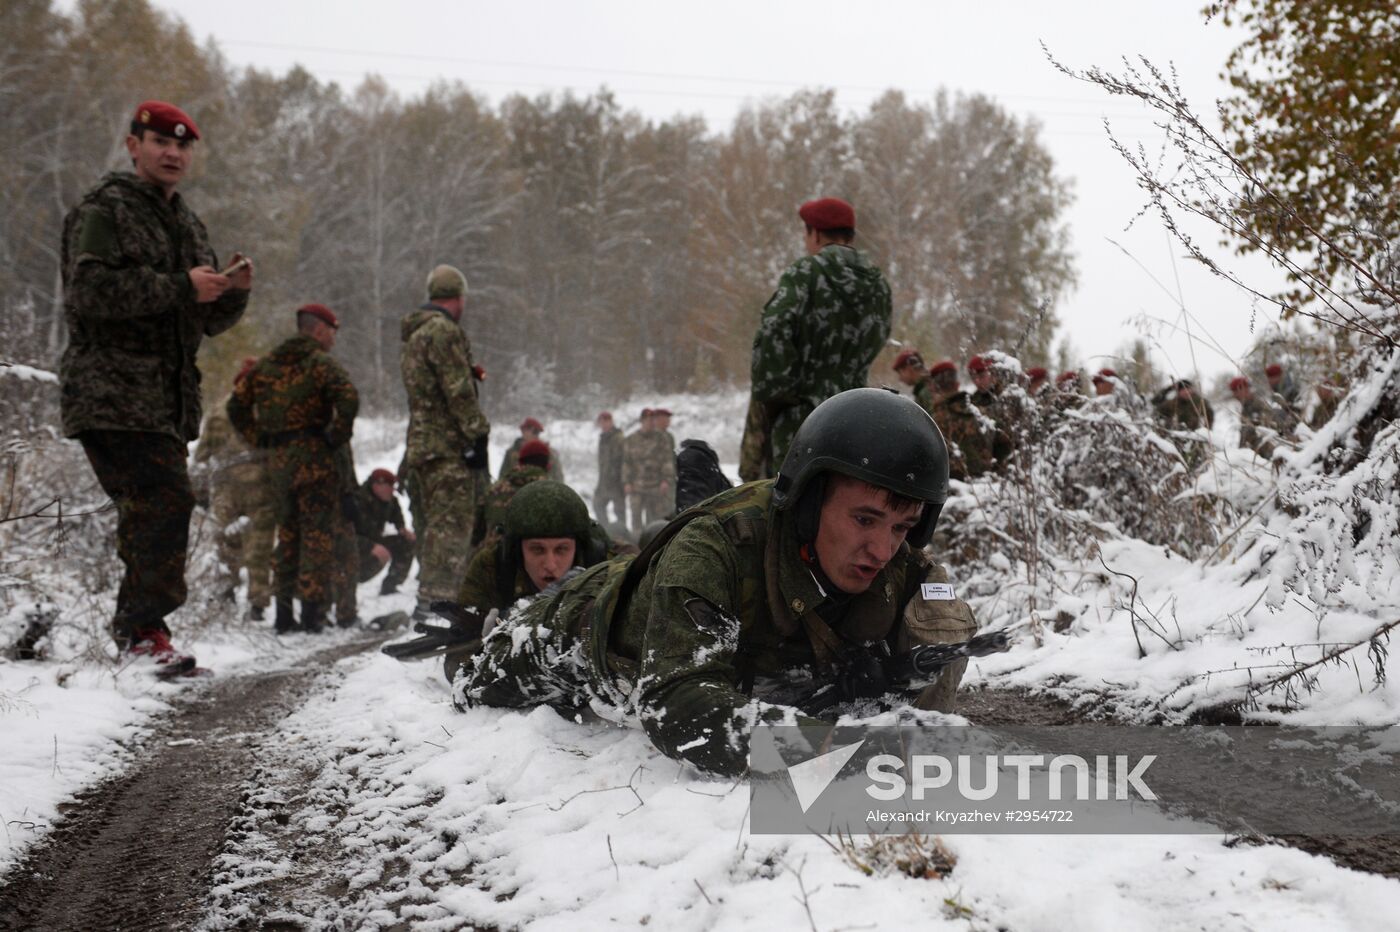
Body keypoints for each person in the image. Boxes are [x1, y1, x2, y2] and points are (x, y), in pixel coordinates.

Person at [458, 388, 980, 776]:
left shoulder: (901, 565)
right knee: (476, 681)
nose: (883, 550)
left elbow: (930, 688)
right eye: (864, 520)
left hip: (732, 650)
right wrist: (830, 751)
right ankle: (496, 622)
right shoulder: (715, 547)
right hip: (583, 628)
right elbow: (676, 706)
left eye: (902, 528)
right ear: (808, 501)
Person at [60, 100, 253, 668]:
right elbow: (89, 292)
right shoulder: (105, 210)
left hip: (163, 402)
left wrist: (234, 290)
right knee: (164, 499)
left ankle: (141, 633)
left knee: (155, 506)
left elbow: (208, 319)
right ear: (133, 145)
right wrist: (178, 287)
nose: (172, 153)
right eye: (160, 142)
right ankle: (141, 634)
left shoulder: (187, 222)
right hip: (111, 390)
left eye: (182, 145)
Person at [228, 304, 357, 634]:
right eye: (331, 331)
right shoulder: (320, 364)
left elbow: (236, 406)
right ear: (317, 330)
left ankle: (283, 613)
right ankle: (311, 614)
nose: (333, 338)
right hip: (315, 457)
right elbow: (348, 398)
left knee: (286, 534)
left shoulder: (267, 366)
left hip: (279, 462)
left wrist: (260, 438)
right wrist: (335, 436)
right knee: (315, 534)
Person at [745, 197, 892, 467]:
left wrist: (775, 398)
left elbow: (773, 331)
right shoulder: (878, 284)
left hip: (801, 421)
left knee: (791, 501)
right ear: (850, 235)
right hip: (854, 417)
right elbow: (881, 335)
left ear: (814, 233)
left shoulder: (805, 273)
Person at [444, 480, 634, 683]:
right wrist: (492, 645)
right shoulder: (492, 566)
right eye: (537, 549)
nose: (550, 564)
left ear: (579, 547)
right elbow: (457, 665)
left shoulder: (613, 562)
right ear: (517, 548)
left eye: (562, 549)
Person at [401, 264, 491, 619]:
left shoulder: (414, 336)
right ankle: (436, 604)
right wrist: (477, 434)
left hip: (422, 446)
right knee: (451, 526)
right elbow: (458, 391)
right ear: (459, 297)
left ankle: (431, 598)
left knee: (433, 524)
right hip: (447, 447)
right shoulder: (444, 332)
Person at [193, 357, 273, 621]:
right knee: (259, 545)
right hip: (260, 485)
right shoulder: (268, 410)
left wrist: (201, 492)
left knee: (226, 543)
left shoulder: (219, 411)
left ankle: (226, 596)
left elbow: (203, 454)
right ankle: (257, 604)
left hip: (225, 487)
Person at [474, 439, 552, 549]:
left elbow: (476, 534)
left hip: (493, 558)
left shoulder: (493, 490)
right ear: (546, 464)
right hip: (534, 560)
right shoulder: (552, 493)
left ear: (520, 461)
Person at [352, 469, 416, 596]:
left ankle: (390, 587)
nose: (393, 490)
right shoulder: (357, 501)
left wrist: (402, 528)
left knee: (405, 542)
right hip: (354, 548)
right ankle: (349, 585)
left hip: (373, 541)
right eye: (390, 486)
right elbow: (346, 536)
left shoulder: (389, 500)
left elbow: (396, 514)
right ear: (377, 485)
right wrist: (371, 547)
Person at [625, 407, 676, 533]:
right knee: (636, 521)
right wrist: (626, 482)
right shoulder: (631, 439)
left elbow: (667, 461)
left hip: (655, 487)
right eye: (648, 420)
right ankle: (637, 547)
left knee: (654, 521)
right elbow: (626, 462)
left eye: (653, 419)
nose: (651, 422)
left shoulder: (662, 438)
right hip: (637, 487)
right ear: (642, 421)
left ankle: (652, 545)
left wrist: (666, 480)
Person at [1229, 376, 1295, 458]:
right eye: (1233, 392)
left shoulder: (1258, 406)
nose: (1235, 395)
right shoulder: (1245, 409)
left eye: (1236, 391)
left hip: (1267, 456)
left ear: (1245, 389)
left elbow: (1269, 434)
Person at [500, 418, 565, 482]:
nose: (533, 435)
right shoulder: (511, 453)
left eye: (536, 432)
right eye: (530, 430)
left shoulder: (549, 453)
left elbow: (558, 477)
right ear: (523, 431)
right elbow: (503, 476)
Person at [594, 411, 626, 526]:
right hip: (604, 481)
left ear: (611, 422)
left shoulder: (618, 438)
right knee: (597, 505)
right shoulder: (603, 438)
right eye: (602, 422)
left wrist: (624, 480)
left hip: (617, 481)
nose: (604, 424)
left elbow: (625, 460)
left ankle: (621, 534)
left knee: (619, 511)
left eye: (606, 421)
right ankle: (606, 530)